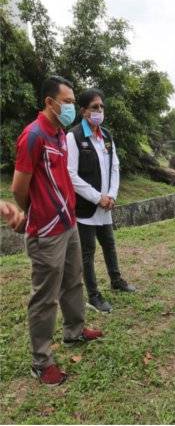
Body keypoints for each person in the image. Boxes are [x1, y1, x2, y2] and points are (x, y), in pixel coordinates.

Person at [11, 76, 103, 386]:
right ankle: (41, 361)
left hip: (68, 223)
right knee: (45, 298)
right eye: (67, 101)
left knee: (73, 281)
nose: (72, 107)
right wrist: (35, 212)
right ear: (50, 103)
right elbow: (18, 188)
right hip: (47, 231)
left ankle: (74, 331)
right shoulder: (33, 136)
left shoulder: (60, 133)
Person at [66, 88, 134, 314]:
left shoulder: (106, 136)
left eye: (102, 107)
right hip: (87, 206)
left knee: (110, 245)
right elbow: (71, 175)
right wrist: (97, 197)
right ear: (83, 110)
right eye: (95, 107)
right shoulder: (74, 137)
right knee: (88, 252)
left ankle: (116, 280)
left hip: (107, 204)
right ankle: (94, 295)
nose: (99, 111)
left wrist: (112, 195)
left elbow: (114, 166)